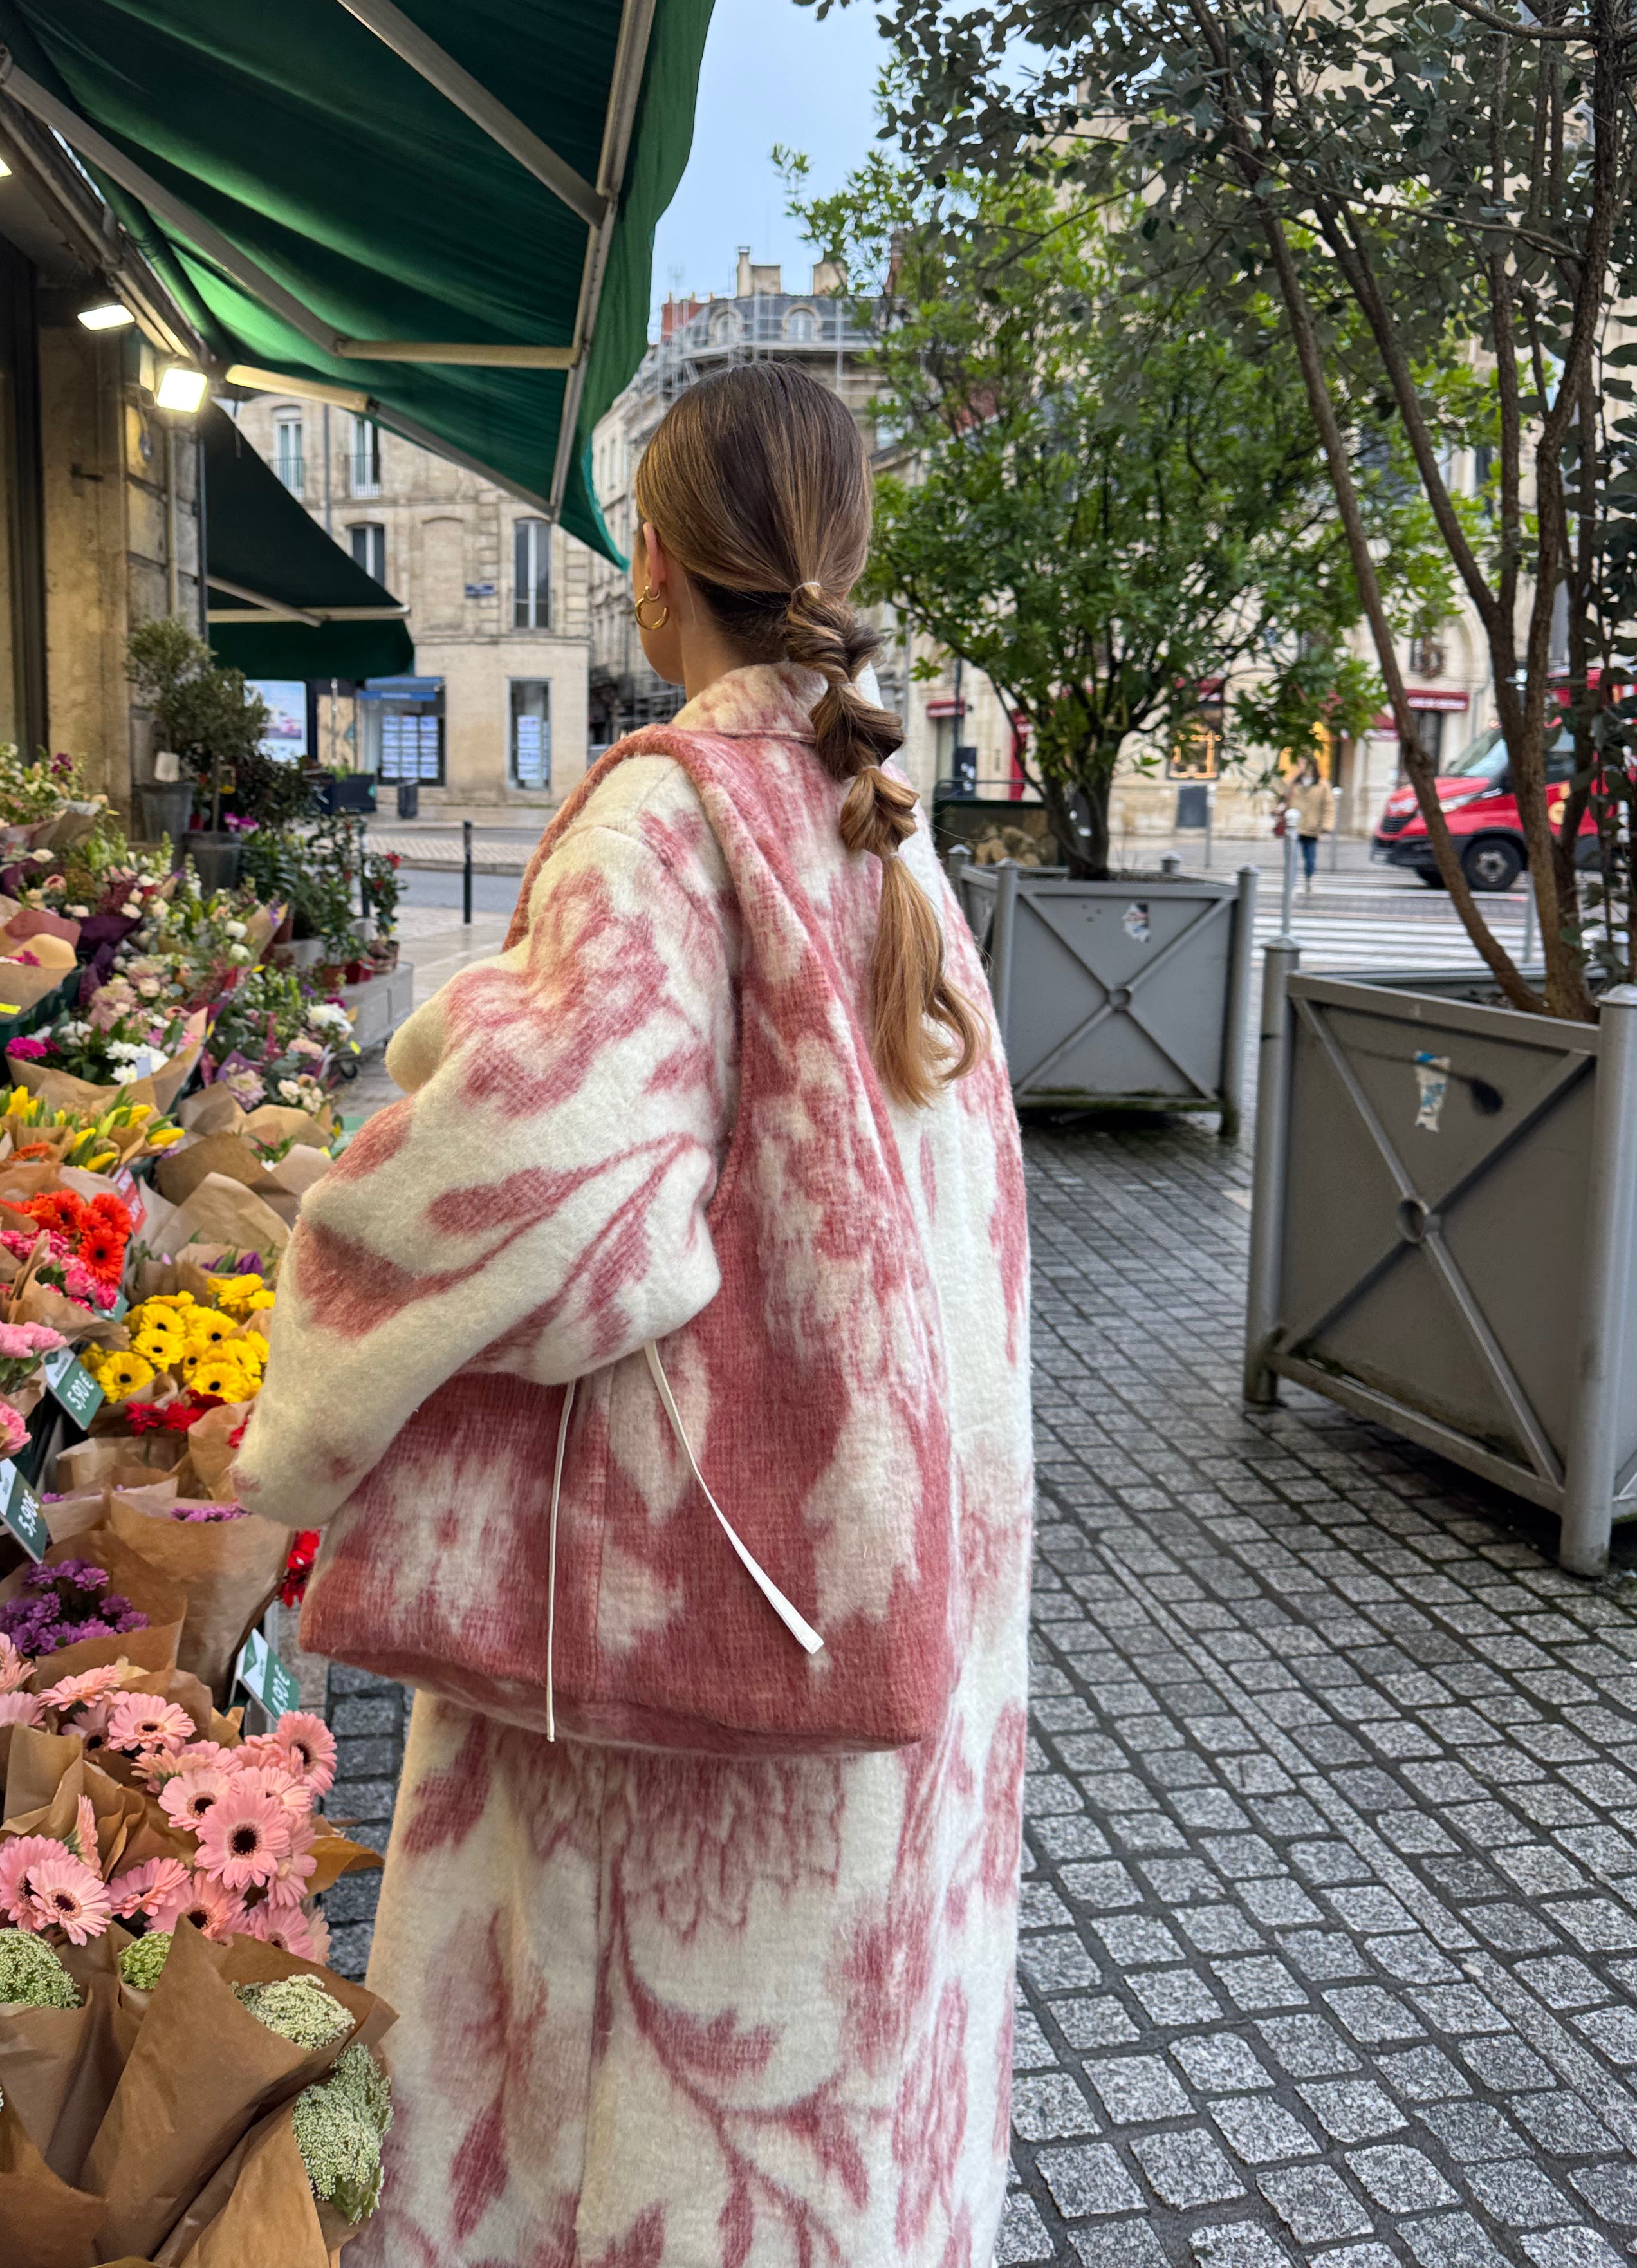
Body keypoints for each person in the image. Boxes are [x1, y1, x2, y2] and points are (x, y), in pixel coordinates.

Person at [236, 364, 1033, 2266]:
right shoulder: (878, 817)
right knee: (841, 2124)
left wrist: (313, 1310)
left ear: (650, 562)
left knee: (633, 2152)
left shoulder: (667, 820)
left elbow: (551, 1203)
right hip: (880, 1614)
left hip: (686, 1672)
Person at [1291, 755, 1338, 886]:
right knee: (1292, 857)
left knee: (1310, 859)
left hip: (1312, 827)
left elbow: (1329, 806)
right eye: (1299, 764)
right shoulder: (1295, 782)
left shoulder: (1323, 785)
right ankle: (1291, 883)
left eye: (1303, 764)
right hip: (1294, 826)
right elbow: (1285, 797)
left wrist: (1327, 824)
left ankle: (1309, 878)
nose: (1301, 767)